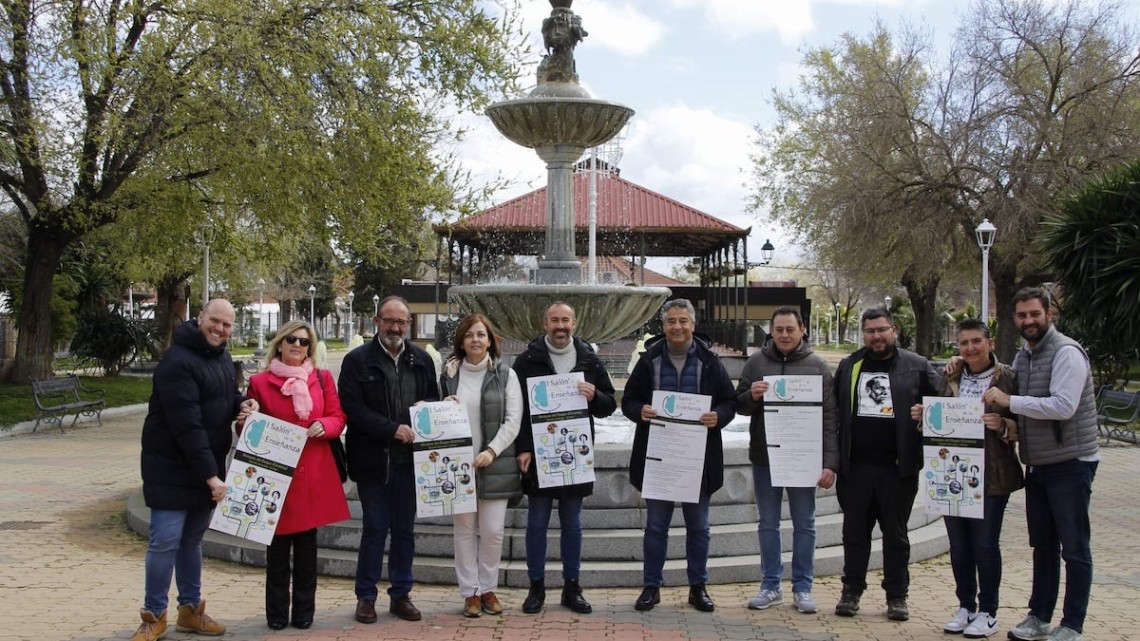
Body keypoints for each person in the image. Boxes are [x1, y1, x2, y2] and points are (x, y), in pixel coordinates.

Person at [131, 299, 258, 641]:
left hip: (203, 467)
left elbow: (221, 396)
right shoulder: (177, 361)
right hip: (172, 468)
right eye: (214, 321)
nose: (220, 329)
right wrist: (212, 476)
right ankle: (154, 614)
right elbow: (187, 425)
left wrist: (241, 402)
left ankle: (189, 611)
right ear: (200, 317)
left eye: (227, 325)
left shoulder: (220, 358)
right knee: (165, 542)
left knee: (191, 542)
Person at [980, 288, 1098, 641]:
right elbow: (1006, 384)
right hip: (1039, 465)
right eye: (1021, 315)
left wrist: (1010, 401)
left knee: (1074, 548)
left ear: (1049, 313)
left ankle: (1073, 624)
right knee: (1043, 545)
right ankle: (1039, 617)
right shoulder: (1025, 356)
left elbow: (1063, 406)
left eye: (1034, 313)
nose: (1028, 321)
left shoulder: (1066, 353)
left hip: (1071, 463)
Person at [909, 318, 1024, 638]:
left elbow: (1023, 426)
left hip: (993, 475)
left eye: (976, 341)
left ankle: (988, 611)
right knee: (959, 546)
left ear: (990, 342)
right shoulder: (952, 375)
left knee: (985, 545)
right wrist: (924, 417)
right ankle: (965, 606)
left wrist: (1001, 425)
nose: (970, 348)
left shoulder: (1008, 378)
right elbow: (941, 418)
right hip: (951, 474)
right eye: (964, 343)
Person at [622, 299, 737, 613]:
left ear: (693, 325)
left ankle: (697, 587)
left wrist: (718, 416)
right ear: (664, 326)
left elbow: (729, 401)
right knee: (656, 527)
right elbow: (629, 400)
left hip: (696, 460)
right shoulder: (649, 361)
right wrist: (639, 410)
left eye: (683, 321)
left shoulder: (710, 362)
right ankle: (651, 587)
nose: (677, 326)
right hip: (658, 457)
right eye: (671, 321)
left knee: (698, 527)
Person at [832, 307, 940, 621]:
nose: (876, 336)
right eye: (870, 331)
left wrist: (926, 415)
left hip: (898, 470)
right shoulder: (850, 365)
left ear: (894, 330)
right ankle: (851, 591)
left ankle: (897, 596)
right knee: (854, 534)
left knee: (896, 535)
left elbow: (943, 404)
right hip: (856, 470)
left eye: (882, 330)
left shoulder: (917, 366)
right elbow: (833, 412)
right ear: (863, 334)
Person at [243, 320, 350, 630]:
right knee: (276, 553)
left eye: (304, 342)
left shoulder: (322, 377)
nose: (297, 345)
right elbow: (247, 428)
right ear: (280, 343)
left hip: (313, 475)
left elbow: (338, 416)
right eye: (291, 339)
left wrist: (326, 426)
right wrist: (245, 418)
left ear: (310, 348)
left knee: (307, 552)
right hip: (277, 478)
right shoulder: (260, 382)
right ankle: (276, 614)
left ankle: (304, 613)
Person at [339, 296, 440, 623]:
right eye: (389, 320)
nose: (395, 327)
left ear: (409, 324)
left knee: (404, 531)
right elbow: (352, 410)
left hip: (411, 463)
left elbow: (432, 402)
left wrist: (441, 411)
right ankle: (366, 597)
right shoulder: (357, 361)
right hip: (372, 462)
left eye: (401, 321)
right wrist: (391, 429)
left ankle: (401, 594)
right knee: (375, 529)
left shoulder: (421, 360)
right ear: (376, 321)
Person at [513, 302, 617, 614]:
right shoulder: (527, 360)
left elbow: (609, 405)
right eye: (555, 320)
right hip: (540, 455)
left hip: (575, 454)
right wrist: (522, 447)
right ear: (545, 324)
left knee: (573, 523)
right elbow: (515, 411)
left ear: (574, 322)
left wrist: (594, 396)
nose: (561, 326)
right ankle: (536, 588)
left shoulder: (589, 359)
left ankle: (572, 588)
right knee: (537, 523)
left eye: (566, 320)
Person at [735, 306, 839, 614]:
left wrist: (829, 462)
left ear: (802, 329)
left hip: (804, 458)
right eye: (778, 329)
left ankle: (803, 587)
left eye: (789, 329)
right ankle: (770, 586)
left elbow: (830, 418)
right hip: (766, 457)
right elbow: (738, 406)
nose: (784, 335)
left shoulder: (817, 366)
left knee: (804, 523)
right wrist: (751, 396)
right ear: (771, 331)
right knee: (768, 522)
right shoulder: (755, 363)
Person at [440, 313, 523, 618]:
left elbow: (513, 420)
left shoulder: (506, 374)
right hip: (457, 466)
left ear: (490, 340)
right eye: (470, 335)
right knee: (463, 530)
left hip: (493, 462)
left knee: (492, 530)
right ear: (462, 340)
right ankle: (470, 593)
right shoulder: (449, 374)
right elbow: (433, 415)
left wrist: (492, 450)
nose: (475, 339)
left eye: (481, 334)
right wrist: (441, 404)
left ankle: (488, 588)